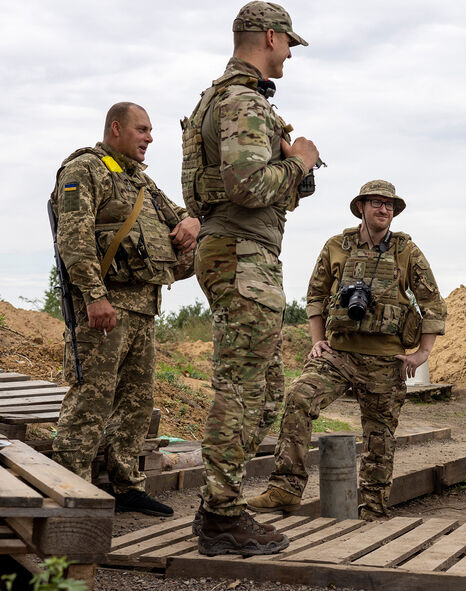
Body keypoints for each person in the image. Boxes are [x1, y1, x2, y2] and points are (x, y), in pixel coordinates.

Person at [182, 1, 318, 556]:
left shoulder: (216, 100)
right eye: (288, 44)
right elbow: (246, 186)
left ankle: (220, 505)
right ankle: (220, 517)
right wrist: (301, 163)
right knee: (240, 394)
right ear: (269, 37)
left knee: (263, 396)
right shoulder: (243, 101)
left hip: (239, 251)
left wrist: (289, 173)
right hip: (242, 254)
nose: (289, 55)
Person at [246, 180, 447, 521]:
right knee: (298, 397)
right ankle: (286, 488)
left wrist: (422, 353)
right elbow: (315, 295)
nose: (384, 210)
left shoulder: (406, 251)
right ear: (361, 208)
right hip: (339, 353)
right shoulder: (336, 246)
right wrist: (317, 340)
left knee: (379, 439)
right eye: (377, 203)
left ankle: (373, 511)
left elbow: (433, 304)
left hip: (386, 359)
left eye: (389, 205)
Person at [50, 102, 200, 517]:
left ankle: (125, 485)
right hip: (104, 307)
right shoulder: (86, 170)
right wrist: (94, 296)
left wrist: (192, 223)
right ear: (116, 129)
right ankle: (69, 489)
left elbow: (179, 216)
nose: (150, 138)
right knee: (90, 400)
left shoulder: (140, 181)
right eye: (142, 129)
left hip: (142, 309)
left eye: (151, 131)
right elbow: (74, 239)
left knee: (136, 402)